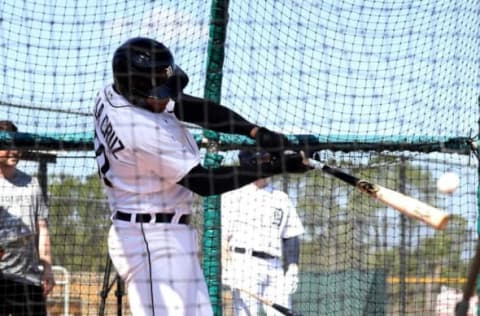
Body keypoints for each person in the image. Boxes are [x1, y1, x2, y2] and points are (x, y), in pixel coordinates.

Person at [93, 37, 310, 316]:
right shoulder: (139, 130)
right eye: (159, 94)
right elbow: (204, 182)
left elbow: (188, 106)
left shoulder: (113, 93)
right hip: (149, 239)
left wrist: (254, 132)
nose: (167, 98)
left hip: (165, 232)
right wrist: (271, 167)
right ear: (135, 92)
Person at [221, 153, 304, 316]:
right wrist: (226, 267)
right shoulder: (233, 195)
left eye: (267, 160)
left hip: (275, 266)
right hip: (244, 264)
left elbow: (291, 236)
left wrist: (293, 267)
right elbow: (223, 237)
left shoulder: (281, 198)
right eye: (261, 160)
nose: (266, 164)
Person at [0, 120, 55, 315]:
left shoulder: (31, 184)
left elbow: (43, 230)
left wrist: (47, 268)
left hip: (28, 279)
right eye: (7, 146)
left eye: (17, 145)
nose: (14, 151)